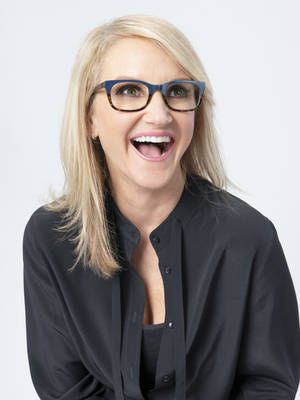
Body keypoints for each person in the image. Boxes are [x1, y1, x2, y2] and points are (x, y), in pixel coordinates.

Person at [22, 14, 300, 400]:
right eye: (130, 90)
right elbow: (65, 388)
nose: (159, 113)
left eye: (178, 91)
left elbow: (270, 385)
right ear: (90, 118)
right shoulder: (51, 238)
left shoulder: (251, 239)